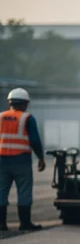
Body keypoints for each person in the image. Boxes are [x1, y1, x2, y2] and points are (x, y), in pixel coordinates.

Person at [0, 88, 46, 231]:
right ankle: (25, 223)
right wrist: (41, 158)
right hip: (21, 160)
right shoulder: (27, 118)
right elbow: (35, 141)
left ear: (10, 102)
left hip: (1, 160)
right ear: (25, 104)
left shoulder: (0, 117)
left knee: (1, 191)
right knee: (24, 191)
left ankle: (1, 224)